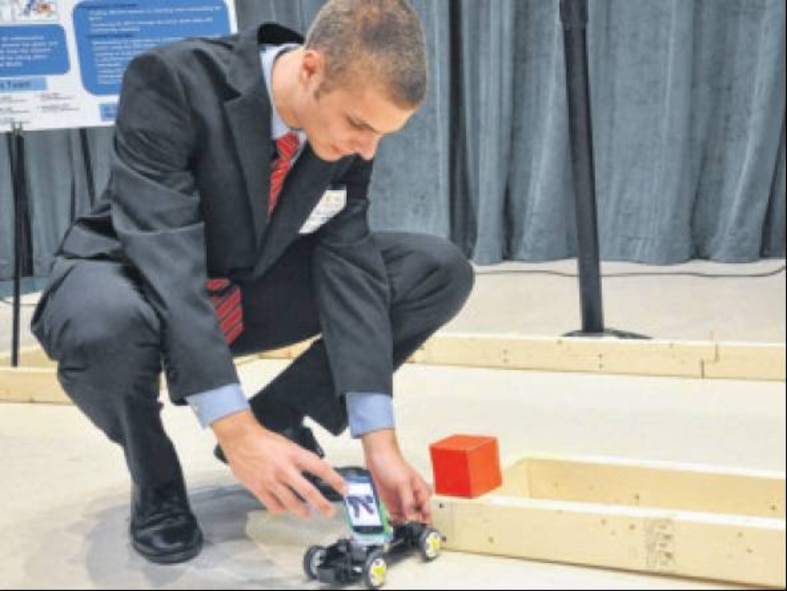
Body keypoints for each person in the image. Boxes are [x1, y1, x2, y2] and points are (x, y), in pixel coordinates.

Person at [31, 0, 473, 565]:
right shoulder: (171, 79)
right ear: (310, 68)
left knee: (434, 271)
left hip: (244, 281)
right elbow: (167, 256)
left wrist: (379, 443)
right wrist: (234, 431)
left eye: (383, 134)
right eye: (361, 126)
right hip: (134, 271)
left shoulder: (347, 130)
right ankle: (157, 479)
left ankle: (278, 417)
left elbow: (348, 260)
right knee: (102, 326)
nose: (368, 150)